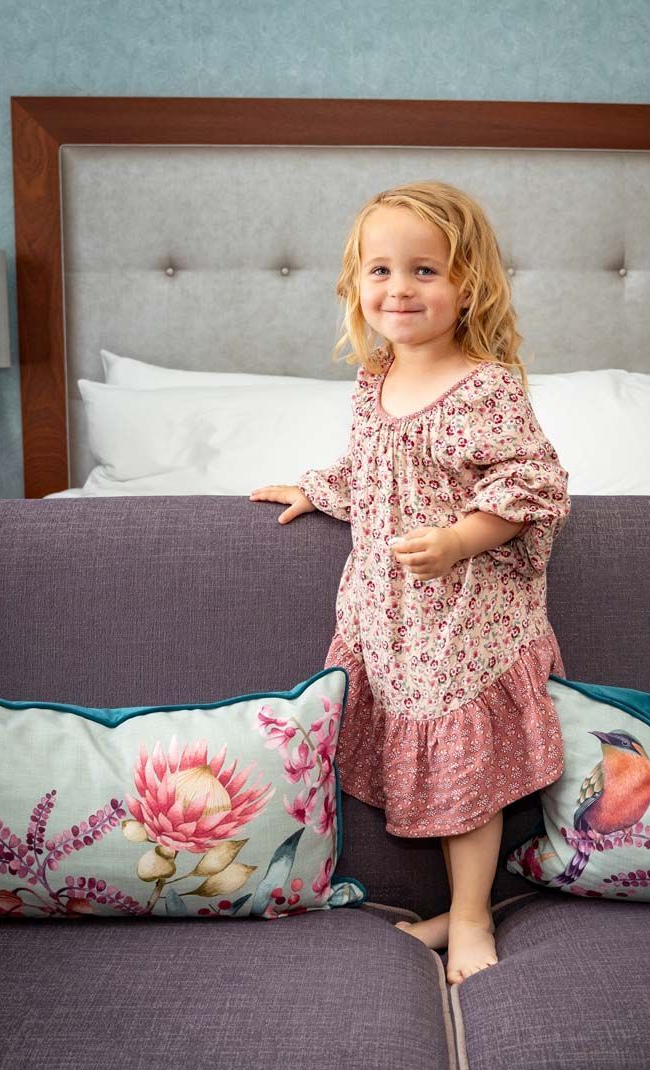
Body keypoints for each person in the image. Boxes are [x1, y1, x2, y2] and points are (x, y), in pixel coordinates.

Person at [249, 180, 570, 986]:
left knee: (464, 765)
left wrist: (460, 539)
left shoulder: (487, 386)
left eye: (425, 270)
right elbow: (374, 472)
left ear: (469, 287)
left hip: (464, 613)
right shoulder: (374, 379)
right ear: (356, 284)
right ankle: (451, 911)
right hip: (390, 613)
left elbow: (532, 485)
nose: (399, 289)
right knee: (419, 764)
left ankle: (471, 917)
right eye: (380, 270)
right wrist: (317, 490)